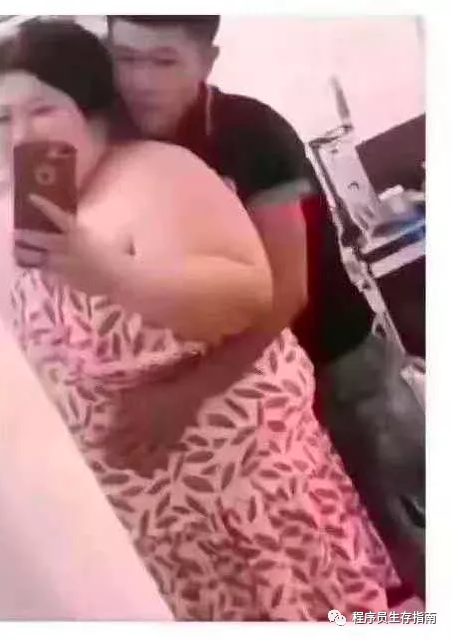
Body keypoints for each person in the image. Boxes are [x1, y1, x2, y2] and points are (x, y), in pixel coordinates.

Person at [0, 20, 398, 620]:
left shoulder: (201, 154)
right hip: (166, 532)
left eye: (42, 110)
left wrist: (115, 283)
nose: (22, 134)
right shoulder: (42, 210)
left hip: (258, 483)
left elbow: (267, 293)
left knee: (413, 531)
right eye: (1, 118)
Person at [107, 15, 425, 598]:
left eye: (163, 61)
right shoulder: (123, 141)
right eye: (125, 58)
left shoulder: (250, 132)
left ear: (207, 62)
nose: (140, 81)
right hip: (249, 411)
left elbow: (288, 292)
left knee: (412, 552)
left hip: (340, 375)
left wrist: (183, 396)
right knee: (346, 576)